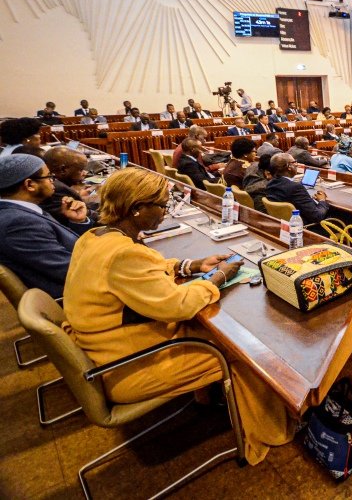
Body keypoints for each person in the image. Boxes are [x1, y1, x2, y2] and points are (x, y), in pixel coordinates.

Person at [61, 167, 293, 464]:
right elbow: (178, 305)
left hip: (108, 346)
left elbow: (145, 270)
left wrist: (191, 266)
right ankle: (270, 433)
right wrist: (218, 277)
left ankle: (208, 397)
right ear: (136, 209)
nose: (165, 212)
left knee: (212, 330)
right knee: (244, 352)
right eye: (162, 206)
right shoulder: (123, 254)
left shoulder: (96, 236)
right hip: (126, 364)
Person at [0, 154, 92, 298]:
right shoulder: (17, 224)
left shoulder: (22, 211)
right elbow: (70, 270)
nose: (52, 182)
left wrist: (77, 222)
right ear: (30, 185)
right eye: (49, 177)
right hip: (85, 300)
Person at [265, 153, 330, 225]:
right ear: (289, 167)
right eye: (294, 162)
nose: (297, 164)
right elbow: (317, 216)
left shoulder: (270, 184)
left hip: (282, 225)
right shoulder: (295, 187)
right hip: (307, 228)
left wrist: (307, 199)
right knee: (341, 216)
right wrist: (322, 200)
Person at [41, 146, 99, 225]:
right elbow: (82, 214)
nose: (85, 173)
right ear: (63, 170)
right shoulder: (57, 189)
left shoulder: (59, 186)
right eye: (81, 169)